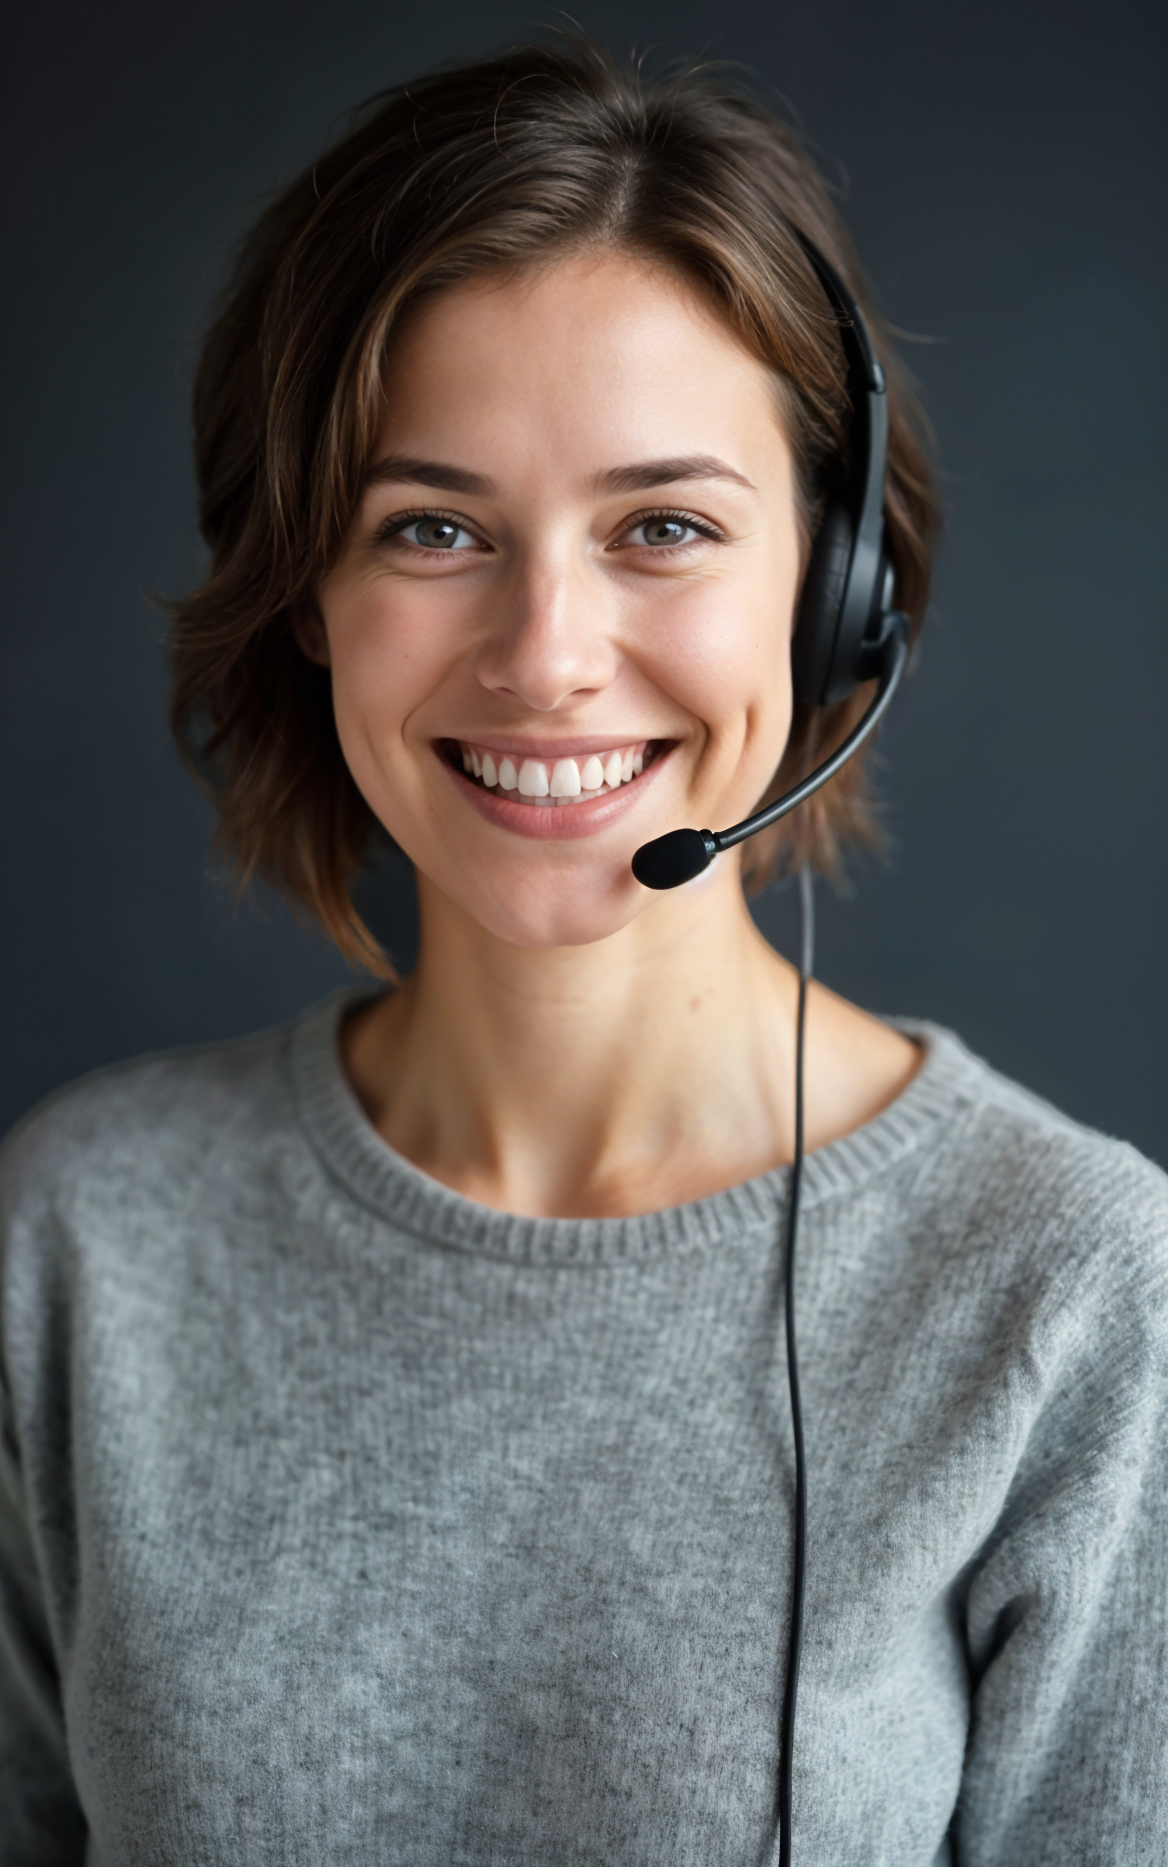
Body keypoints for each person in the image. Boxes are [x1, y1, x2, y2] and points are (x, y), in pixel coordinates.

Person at [0, 38, 1164, 1867]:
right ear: (310, 591)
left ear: (840, 585)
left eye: (665, 528)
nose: (546, 653)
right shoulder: (82, 1231)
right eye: (435, 526)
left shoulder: (1069, 1291)